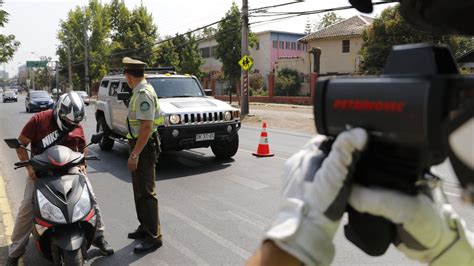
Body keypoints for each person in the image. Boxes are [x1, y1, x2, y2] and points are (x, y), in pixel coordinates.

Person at [6, 92, 114, 266]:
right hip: (41, 171)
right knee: (27, 206)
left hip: (69, 169)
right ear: (58, 113)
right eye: (69, 122)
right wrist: (29, 168)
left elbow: (82, 149)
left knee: (91, 198)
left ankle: (99, 236)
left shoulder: (76, 126)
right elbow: (21, 144)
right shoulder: (39, 120)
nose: (71, 126)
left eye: (74, 123)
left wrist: (83, 166)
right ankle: (15, 252)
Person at [123, 57, 164, 253]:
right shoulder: (139, 91)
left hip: (144, 147)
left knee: (147, 192)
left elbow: (146, 127)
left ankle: (153, 236)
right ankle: (144, 227)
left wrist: (135, 154)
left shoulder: (143, 94)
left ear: (129, 76)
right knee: (139, 190)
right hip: (139, 145)